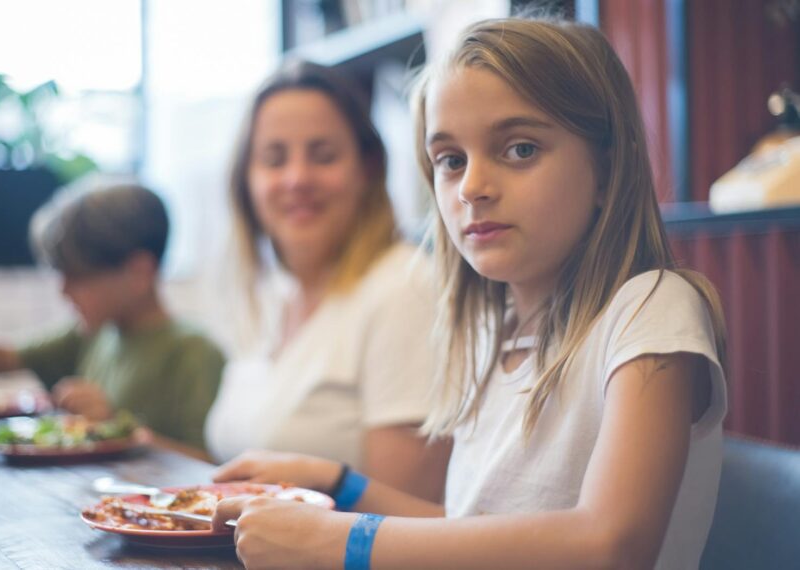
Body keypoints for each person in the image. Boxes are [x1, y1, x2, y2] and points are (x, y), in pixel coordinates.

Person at [208, 17, 729, 570]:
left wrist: (345, 542)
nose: (473, 187)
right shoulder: (493, 331)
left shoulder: (651, 308)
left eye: (520, 149)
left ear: (606, 168)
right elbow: (475, 533)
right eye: (451, 160)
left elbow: (609, 544)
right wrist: (342, 484)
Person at [202, 60, 450, 502]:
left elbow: (404, 525)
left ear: (368, 168)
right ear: (246, 181)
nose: (297, 178)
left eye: (324, 155)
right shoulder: (270, 294)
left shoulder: (404, 290)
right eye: (274, 159)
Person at [0, 179, 226, 451]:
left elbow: (207, 463)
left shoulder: (193, 351)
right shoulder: (94, 333)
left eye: (79, 276)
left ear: (140, 271)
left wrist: (114, 427)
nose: (64, 290)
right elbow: (7, 356)